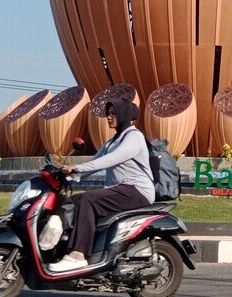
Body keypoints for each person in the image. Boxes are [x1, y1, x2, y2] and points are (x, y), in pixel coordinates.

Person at [48, 99, 156, 273]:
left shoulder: (134, 137)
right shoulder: (113, 141)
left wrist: (77, 168)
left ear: (124, 116)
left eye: (114, 113)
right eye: (108, 113)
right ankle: (58, 248)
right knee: (70, 201)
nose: (109, 117)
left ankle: (78, 256)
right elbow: (96, 162)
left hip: (137, 191)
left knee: (87, 200)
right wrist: (68, 176)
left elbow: (112, 159)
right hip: (121, 189)